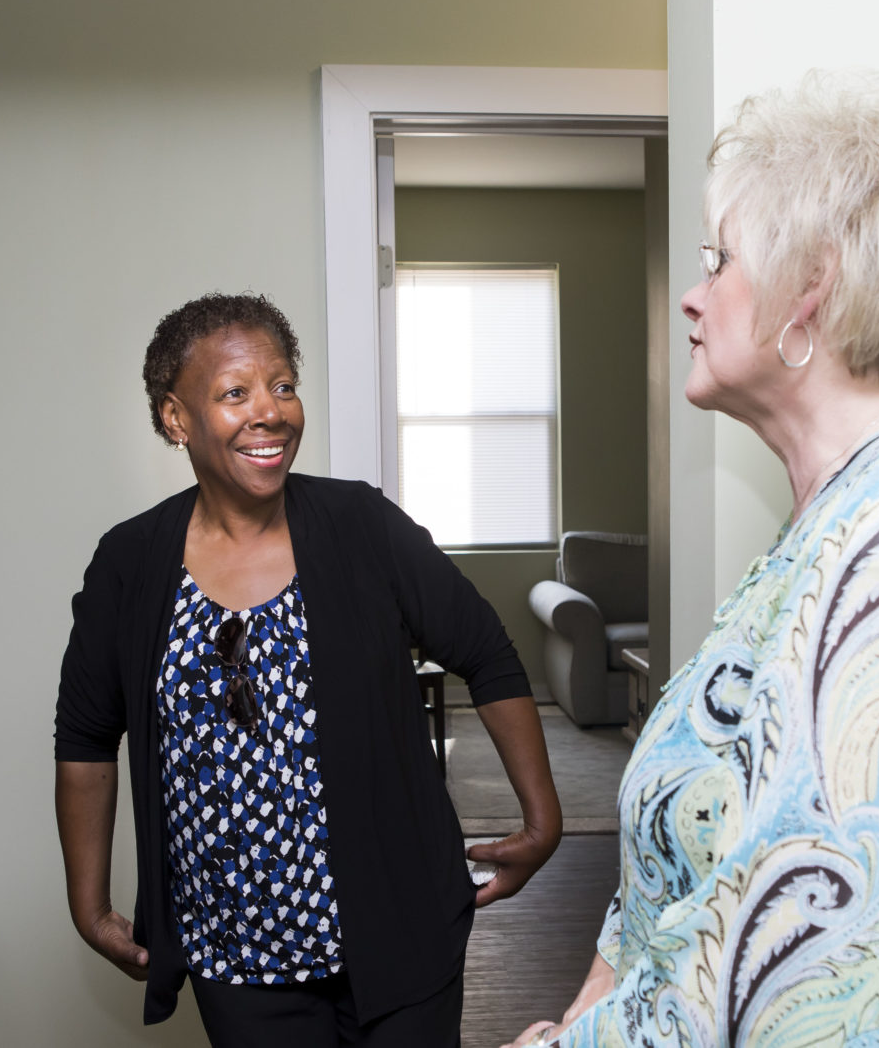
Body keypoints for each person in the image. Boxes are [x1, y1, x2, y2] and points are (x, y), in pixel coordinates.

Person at [508, 72, 879, 1048]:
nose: (691, 298)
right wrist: (581, 1012)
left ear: (811, 281)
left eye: (719, 259)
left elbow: (787, 982)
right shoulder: (839, 521)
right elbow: (693, 863)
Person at [54, 292, 563, 1046]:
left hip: (402, 932)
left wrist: (543, 817)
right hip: (236, 960)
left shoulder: (362, 525)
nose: (271, 411)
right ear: (176, 417)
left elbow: (486, 651)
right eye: (235, 393)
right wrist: (88, 903)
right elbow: (88, 736)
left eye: (283, 385)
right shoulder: (130, 564)